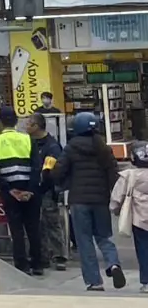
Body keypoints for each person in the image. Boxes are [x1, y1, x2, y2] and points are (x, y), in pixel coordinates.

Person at [53, 112, 126, 291]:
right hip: (101, 200)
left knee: (84, 241)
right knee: (104, 237)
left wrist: (53, 174)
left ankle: (94, 281)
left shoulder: (71, 147)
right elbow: (113, 175)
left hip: (79, 200)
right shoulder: (104, 148)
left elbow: (59, 172)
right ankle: (113, 264)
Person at [0, 107, 44, 275]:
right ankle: (37, 264)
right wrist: (30, 190)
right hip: (30, 191)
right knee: (33, 228)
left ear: (1, 121)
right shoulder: (28, 139)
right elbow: (36, 166)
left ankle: (22, 265)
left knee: (16, 229)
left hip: (10, 192)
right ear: (16, 121)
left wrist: (9, 190)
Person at [27, 114, 69, 270]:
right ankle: (42, 255)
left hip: (47, 190)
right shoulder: (29, 142)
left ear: (36, 126)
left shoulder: (51, 146)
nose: (26, 127)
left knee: (51, 222)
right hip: (33, 189)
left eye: (29, 124)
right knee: (37, 225)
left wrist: (44, 185)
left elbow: (51, 171)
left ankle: (60, 256)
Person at [109, 146, 148, 293]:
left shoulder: (129, 175)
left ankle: (146, 281)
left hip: (139, 218)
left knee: (143, 249)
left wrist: (115, 209)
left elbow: (116, 197)